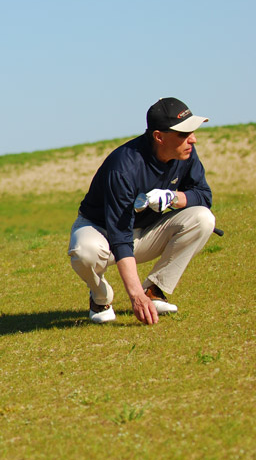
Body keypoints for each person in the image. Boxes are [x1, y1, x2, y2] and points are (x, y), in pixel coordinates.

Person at [68, 97, 216, 325]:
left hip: (145, 232)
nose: (192, 140)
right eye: (184, 134)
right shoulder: (124, 167)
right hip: (103, 235)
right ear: (159, 136)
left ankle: (154, 291)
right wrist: (134, 296)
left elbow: (204, 196)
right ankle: (100, 299)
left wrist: (174, 198)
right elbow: (120, 235)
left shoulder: (185, 153)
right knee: (83, 251)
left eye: (192, 132)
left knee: (204, 219)